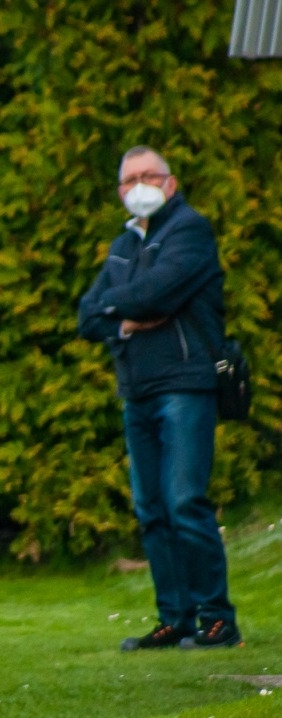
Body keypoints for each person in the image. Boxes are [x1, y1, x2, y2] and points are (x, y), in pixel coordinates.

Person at [78, 147, 239, 651]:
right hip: (137, 390)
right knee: (151, 509)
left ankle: (217, 618)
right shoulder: (123, 245)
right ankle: (175, 618)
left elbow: (158, 293)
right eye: (129, 179)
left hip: (185, 384)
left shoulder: (190, 231)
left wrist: (119, 304)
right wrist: (125, 320)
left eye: (149, 175)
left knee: (185, 501)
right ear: (120, 191)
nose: (139, 186)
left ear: (170, 183)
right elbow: (86, 315)